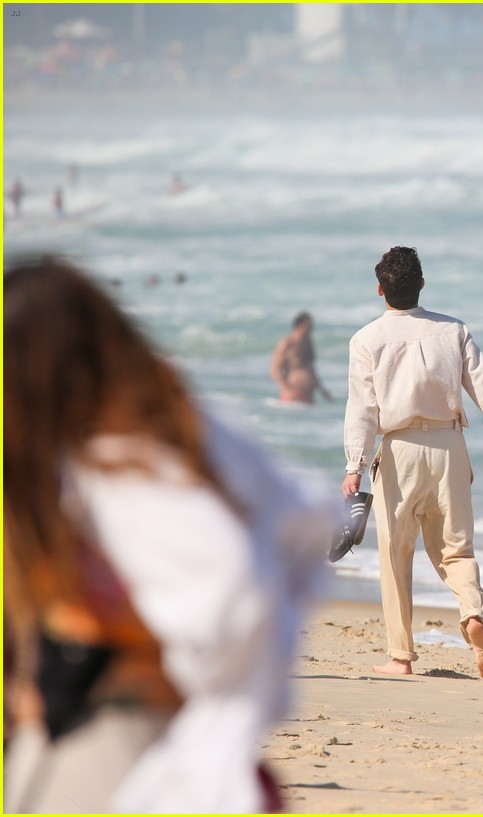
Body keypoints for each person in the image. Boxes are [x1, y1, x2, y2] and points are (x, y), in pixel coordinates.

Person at [3, 256, 335, 812]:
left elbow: (237, 594)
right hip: (140, 735)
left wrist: (170, 679)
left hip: (115, 741)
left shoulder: (123, 465)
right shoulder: (182, 436)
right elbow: (302, 525)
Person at [342, 246, 483, 679]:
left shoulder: (366, 339)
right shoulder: (453, 330)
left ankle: (400, 657)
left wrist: (354, 465)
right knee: (456, 549)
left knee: (395, 554)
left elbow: (362, 410)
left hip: (399, 448)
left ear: (380, 290)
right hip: (450, 446)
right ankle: (473, 613)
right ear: (422, 283)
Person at [270, 311, 333, 404]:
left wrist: (322, 390)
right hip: (293, 394)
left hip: (308, 395)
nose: (311, 329)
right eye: (308, 326)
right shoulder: (287, 343)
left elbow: (311, 368)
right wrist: (287, 389)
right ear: (299, 326)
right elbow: (275, 370)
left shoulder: (308, 342)